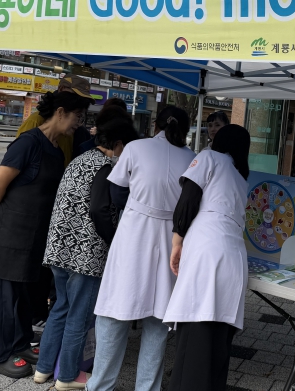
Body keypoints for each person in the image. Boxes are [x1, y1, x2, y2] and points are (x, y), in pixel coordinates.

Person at [0, 91, 91, 379]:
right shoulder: (27, 143)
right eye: (77, 117)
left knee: (24, 297)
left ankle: (20, 343)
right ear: (60, 112)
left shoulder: (55, 148)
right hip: (10, 234)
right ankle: (0, 355)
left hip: (34, 237)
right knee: (6, 299)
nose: (78, 124)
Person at [86, 106, 195, 391]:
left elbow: (117, 192)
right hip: (172, 237)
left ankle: (100, 386)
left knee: (114, 311)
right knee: (158, 320)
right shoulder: (192, 158)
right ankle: (147, 388)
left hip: (134, 233)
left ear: (156, 124)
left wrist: (141, 201)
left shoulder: (135, 148)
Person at [34, 117, 138, 390]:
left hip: (59, 249)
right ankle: (68, 376)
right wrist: (114, 240)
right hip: (85, 255)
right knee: (79, 316)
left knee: (60, 308)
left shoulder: (80, 160)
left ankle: (43, 369)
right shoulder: (104, 167)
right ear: (118, 144)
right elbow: (99, 210)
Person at [165, 124, 251, 391]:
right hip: (234, 258)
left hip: (208, 251)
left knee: (195, 334)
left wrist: (176, 241)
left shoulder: (209, 157)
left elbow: (188, 199)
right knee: (217, 342)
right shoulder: (240, 178)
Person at [17, 74, 94, 167]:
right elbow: (17, 160)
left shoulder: (75, 129)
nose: (79, 103)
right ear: (61, 89)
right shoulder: (36, 121)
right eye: (74, 96)